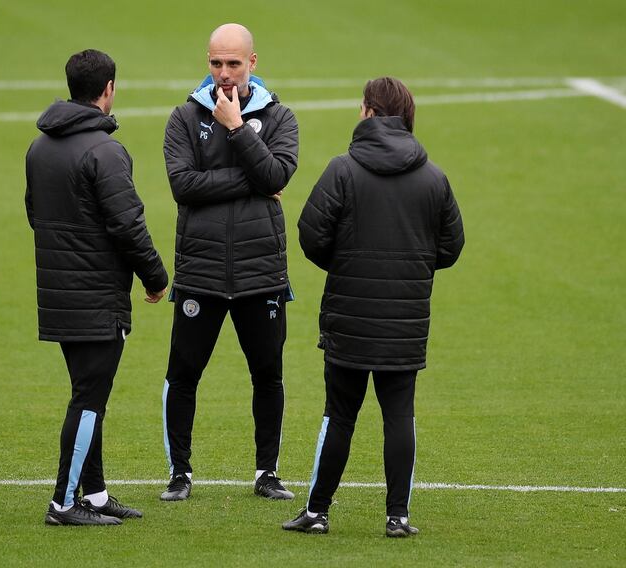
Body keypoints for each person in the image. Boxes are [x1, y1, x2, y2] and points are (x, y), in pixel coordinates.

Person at [284, 77, 464, 535]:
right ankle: (398, 517)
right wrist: (414, 269)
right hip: (405, 319)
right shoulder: (434, 177)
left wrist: (342, 265)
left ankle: (318, 512)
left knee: (339, 414)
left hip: (349, 316)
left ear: (368, 111)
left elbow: (310, 236)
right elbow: (451, 247)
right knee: (399, 414)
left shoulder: (342, 169)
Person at [25, 49, 168, 526]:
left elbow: (35, 215)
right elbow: (129, 225)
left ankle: (97, 496)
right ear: (108, 89)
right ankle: (64, 504)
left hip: (60, 292)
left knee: (87, 393)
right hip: (97, 298)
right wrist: (155, 276)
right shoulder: (105, 152)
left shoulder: (39, 148)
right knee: (89, 400)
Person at [159, 23, 299, 502]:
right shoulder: (183, 118)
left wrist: (237, 129)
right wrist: (254, 182)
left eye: (233, 64)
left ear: (252, 63)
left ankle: (267, 472)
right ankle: (180, 473)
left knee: (268, 375)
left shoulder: (279, 117)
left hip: (261, 274)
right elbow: (183, 186)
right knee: (183, 375)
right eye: (216, 63)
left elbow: (278, 172)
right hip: (200, 270)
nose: (223, 74)